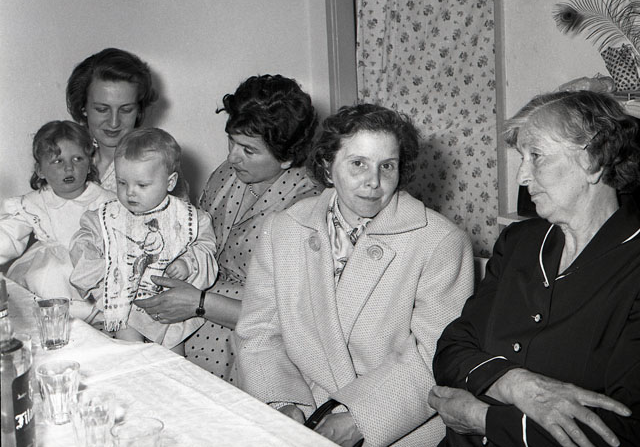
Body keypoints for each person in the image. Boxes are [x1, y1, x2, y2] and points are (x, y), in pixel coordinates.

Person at [234, 103, 475, 447]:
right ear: (327, 165)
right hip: (301, 409)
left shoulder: (440, 241)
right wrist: (281, 404)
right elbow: (259, 333)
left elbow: (435, 355)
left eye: (387, 166)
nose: (374, 182)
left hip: (394, 424)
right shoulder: (284, 228)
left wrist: (360, 420)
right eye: (358, 163)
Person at [430, 90, 640, 447]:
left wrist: (482, 418)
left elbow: (624, 432)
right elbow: (451, 349)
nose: (522, 176)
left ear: (593, 160)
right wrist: (516, 384)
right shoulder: (519, 243)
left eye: (537, 156)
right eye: (521, 157)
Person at [134, 74, 320, 382]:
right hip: (190, 312)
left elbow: (294, 318)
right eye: (232, 141)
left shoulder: (308, 208)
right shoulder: (230, 173)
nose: (233, 156)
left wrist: (199, 304)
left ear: (287, 158)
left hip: (250, 342)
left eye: (248, 150)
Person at [69, 128, 218, 353]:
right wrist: (102, 267)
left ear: (170, 182)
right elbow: (83, 243)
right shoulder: (109, 216)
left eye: (142, 185)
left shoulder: (188, 218)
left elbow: (205, 246)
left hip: (170, 307)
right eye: (122, 183)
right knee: (131, 349)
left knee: (173, 358)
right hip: (126, 304)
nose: (130, 192)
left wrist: (188, 262)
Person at [0, 121, 114, 319]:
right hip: (49, 275)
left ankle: (93, 320)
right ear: (40, 170)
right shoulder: (34, 203)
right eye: (57, 161)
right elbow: (8, 235)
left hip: (91, 269)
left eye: (77, 159)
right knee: (44, 277)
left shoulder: (107, 202)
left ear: (89, 164)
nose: (69, 167)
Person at [66, 47, 158, 192]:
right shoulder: (65, 156)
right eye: (102, 109)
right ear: (83, 107)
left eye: (126, 110)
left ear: (139, 109)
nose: (114, 122)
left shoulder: (158, 161)